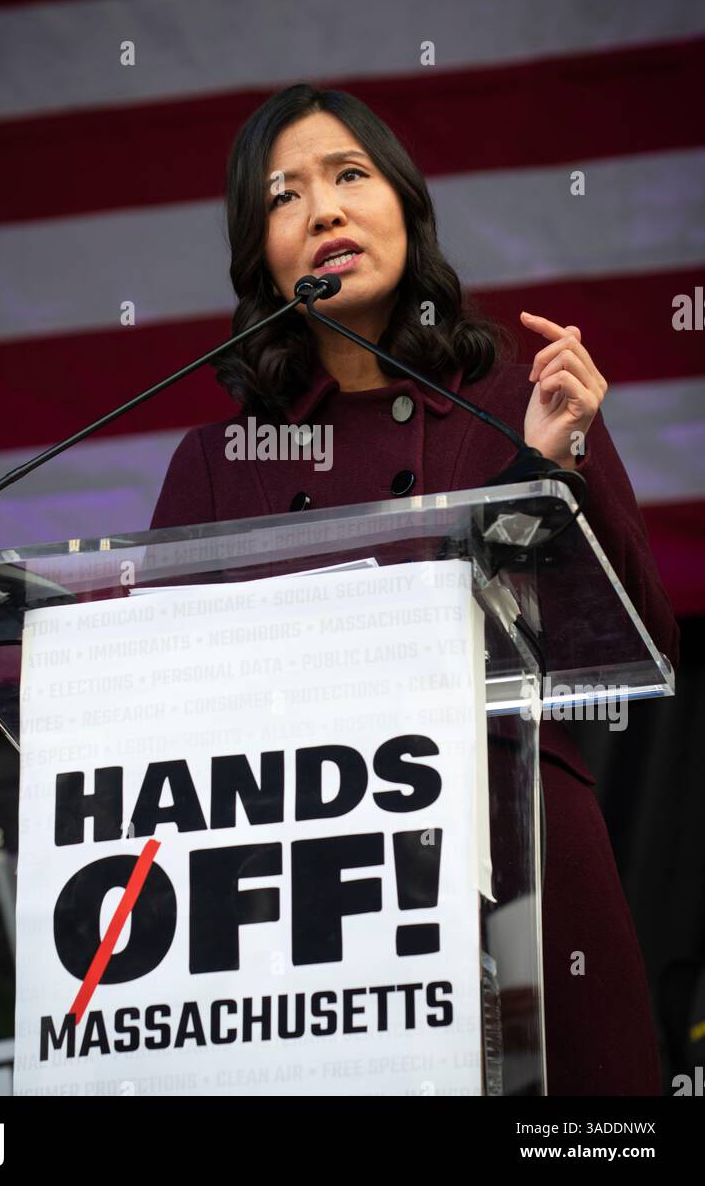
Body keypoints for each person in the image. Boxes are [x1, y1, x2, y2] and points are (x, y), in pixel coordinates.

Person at [149, 82, 680, 1095]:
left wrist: (551, 471)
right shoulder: (217, 461)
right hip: (307, 878)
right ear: (262, 254)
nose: (326, 210)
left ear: (403, 203)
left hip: (520, 849)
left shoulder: (526, 401)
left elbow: (639, 642)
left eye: (350, 175)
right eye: (284, 196)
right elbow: (163, 713)